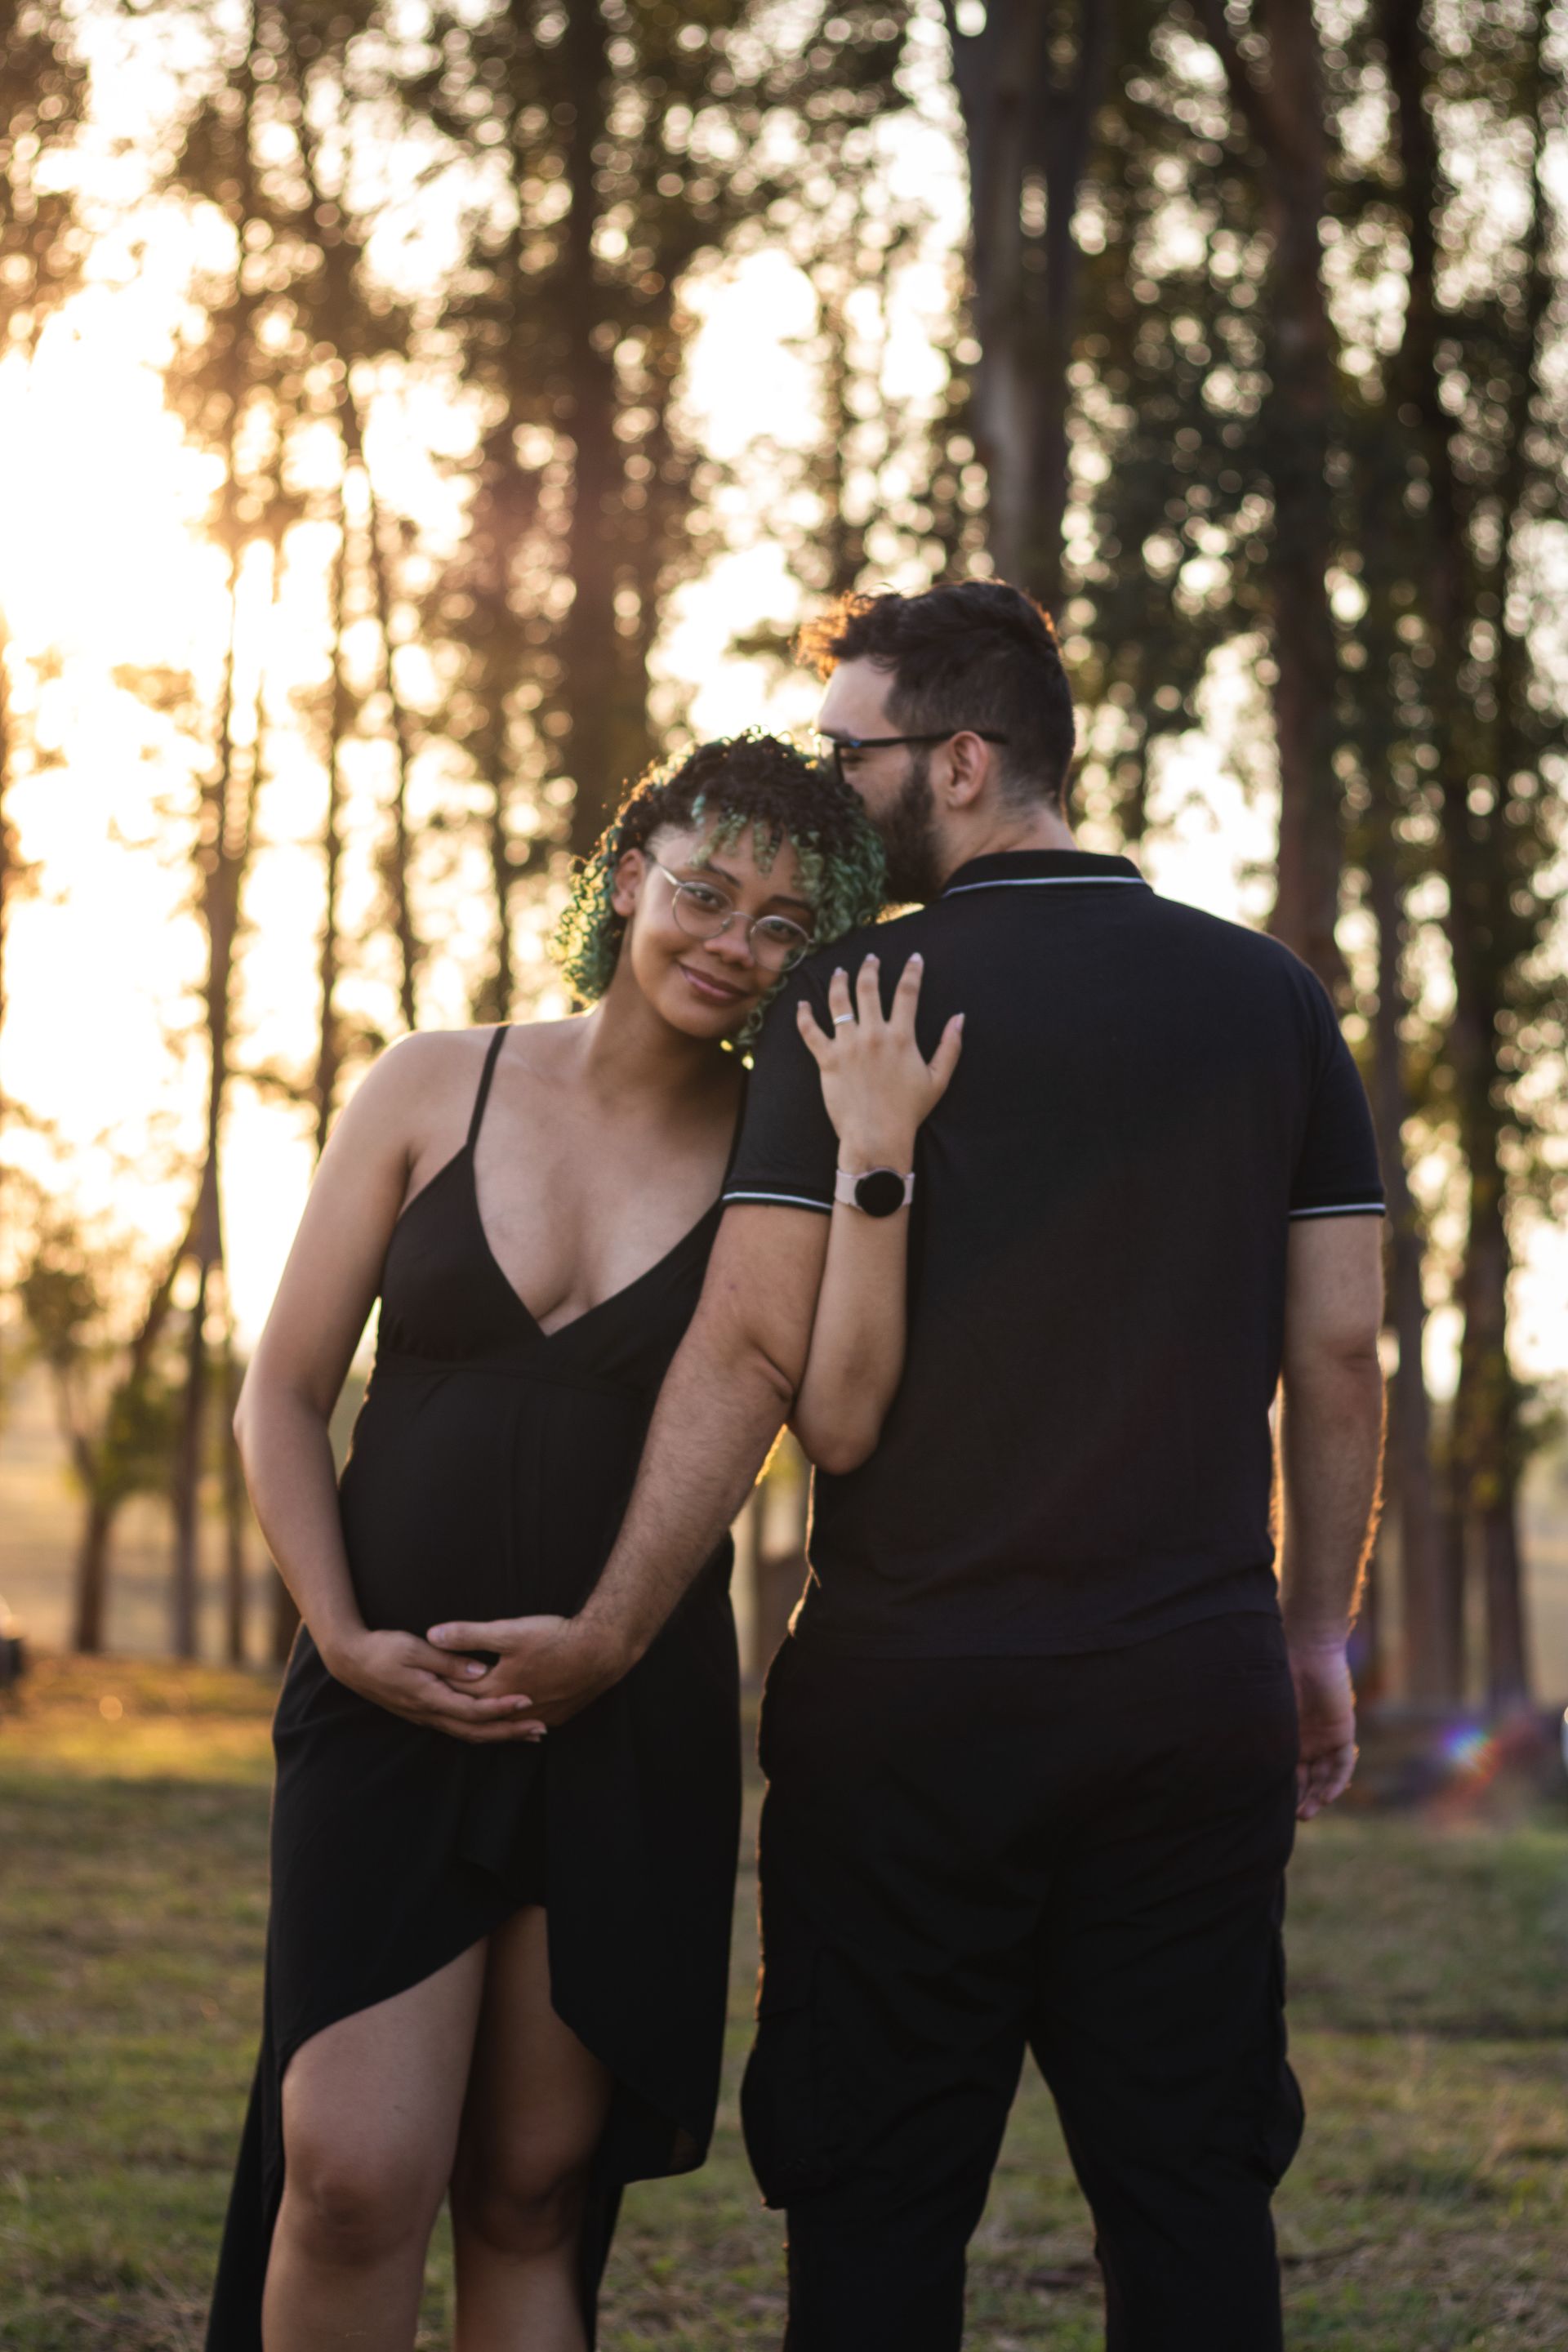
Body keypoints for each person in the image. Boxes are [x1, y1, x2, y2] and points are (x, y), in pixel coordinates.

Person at [430, 580, 1388, 2352]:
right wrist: (1316, 1639)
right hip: (1186, 1700)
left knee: (876, 2207)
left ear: (955, 760)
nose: (826, 783)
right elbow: (1337, 1351)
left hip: (908, 1716)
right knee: (1188, 2193)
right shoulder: (1270, 998)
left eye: (844, 749)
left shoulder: (857, 995)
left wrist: (618, 1624)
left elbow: (751, 1352)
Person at [205, 731, 962, 2352]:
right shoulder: (434, 1079)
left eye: (780, 924)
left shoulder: (785, 1142)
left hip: (624, 1713)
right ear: (629, 881)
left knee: (535, 2188)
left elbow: (837, 1416)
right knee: (348, 2173)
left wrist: (877, 1154)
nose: (730, 944)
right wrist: (338, 1636)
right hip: (384, 1686)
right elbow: (278, 1396)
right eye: (704, 891)